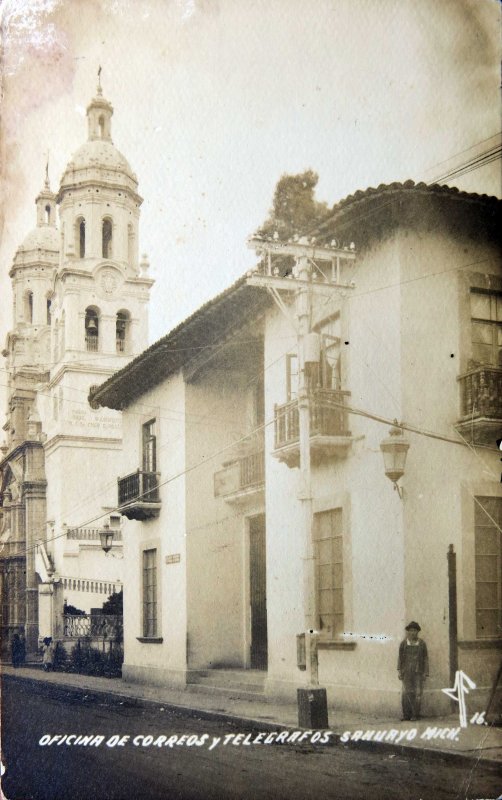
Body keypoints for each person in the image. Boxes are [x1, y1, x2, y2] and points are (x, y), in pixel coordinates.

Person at [397, 621, 429, 721]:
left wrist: (425, 673)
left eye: (414, 631)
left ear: (417, 632)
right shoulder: (403, 644)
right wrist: (399, 670)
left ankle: (415, 715)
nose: (412, 633)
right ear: (408, 632)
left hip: (418, 672)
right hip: (406, 672)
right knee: (406, 693)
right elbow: (400, 658)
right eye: (410, 631)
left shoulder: (422, 644)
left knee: (417, 693)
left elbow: (425, 658)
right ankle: (406, 715)